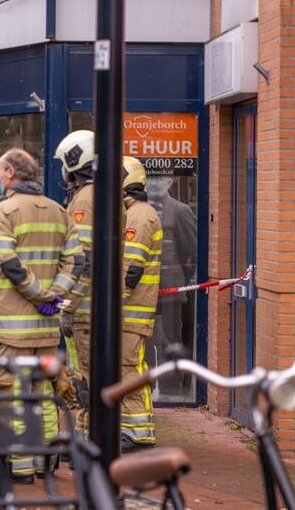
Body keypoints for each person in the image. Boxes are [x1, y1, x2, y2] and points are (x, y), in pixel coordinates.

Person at [0, 148, 80, 482]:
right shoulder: (59, 211)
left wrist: (39, 293)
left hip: (11, 326)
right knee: (43, 390)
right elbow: (76, 262)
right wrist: (55, 294)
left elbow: (8, 262)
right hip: (46, 325)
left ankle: (21, 465)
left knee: (12, 392)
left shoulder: (3, 211)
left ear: (11, 173)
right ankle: (46, 459)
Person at [53, 130, 97, 433]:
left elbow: (84, 261)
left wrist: (68, 307)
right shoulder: (101, 194)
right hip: (93, 307)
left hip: (84, 310)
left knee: (84, 379)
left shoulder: (85, 200)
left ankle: (84, 438)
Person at [120, 156, 163, 451]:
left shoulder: (139, 216)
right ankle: (130, 428)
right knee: (125, 368)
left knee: (130, 368)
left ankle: (140, 433)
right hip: (129, 310)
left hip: (132, 310)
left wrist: (112, 304)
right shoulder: (133, 212)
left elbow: (131, 270)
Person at [146, 174, 197, 397]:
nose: (154, 183)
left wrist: (182, 278)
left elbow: (191, 249)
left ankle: (172, 389)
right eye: (150, 179)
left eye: (160, 179)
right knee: (145, 340)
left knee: (170, 339)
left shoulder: (180, 210)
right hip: (143, 289)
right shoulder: (137, 210)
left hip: (170, 290)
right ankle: (144, 387)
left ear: (170, 182)